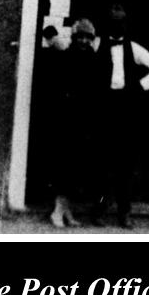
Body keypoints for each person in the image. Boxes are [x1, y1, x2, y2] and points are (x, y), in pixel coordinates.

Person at [91, 3, 149, 229]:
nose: (117, 27)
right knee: (101, 163)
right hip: (103, 108)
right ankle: (99, 210)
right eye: (113, 23)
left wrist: (140, 87)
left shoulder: (134, 48)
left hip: (125, 109)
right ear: (107, 24)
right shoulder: (96, 44)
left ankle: (124, 213)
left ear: (126, 24)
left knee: (125, 164)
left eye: (121, 22)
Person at [40, 18, 102, 228]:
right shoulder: (66, 56)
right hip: (66, 118)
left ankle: (66, 211)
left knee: (76, 167)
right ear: (74, 38)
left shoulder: (93, 59)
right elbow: (48, 33)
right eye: (80, 37)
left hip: (85, 119)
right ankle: (57, 211)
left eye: (87, 37)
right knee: (64, 165)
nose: (84, 41)